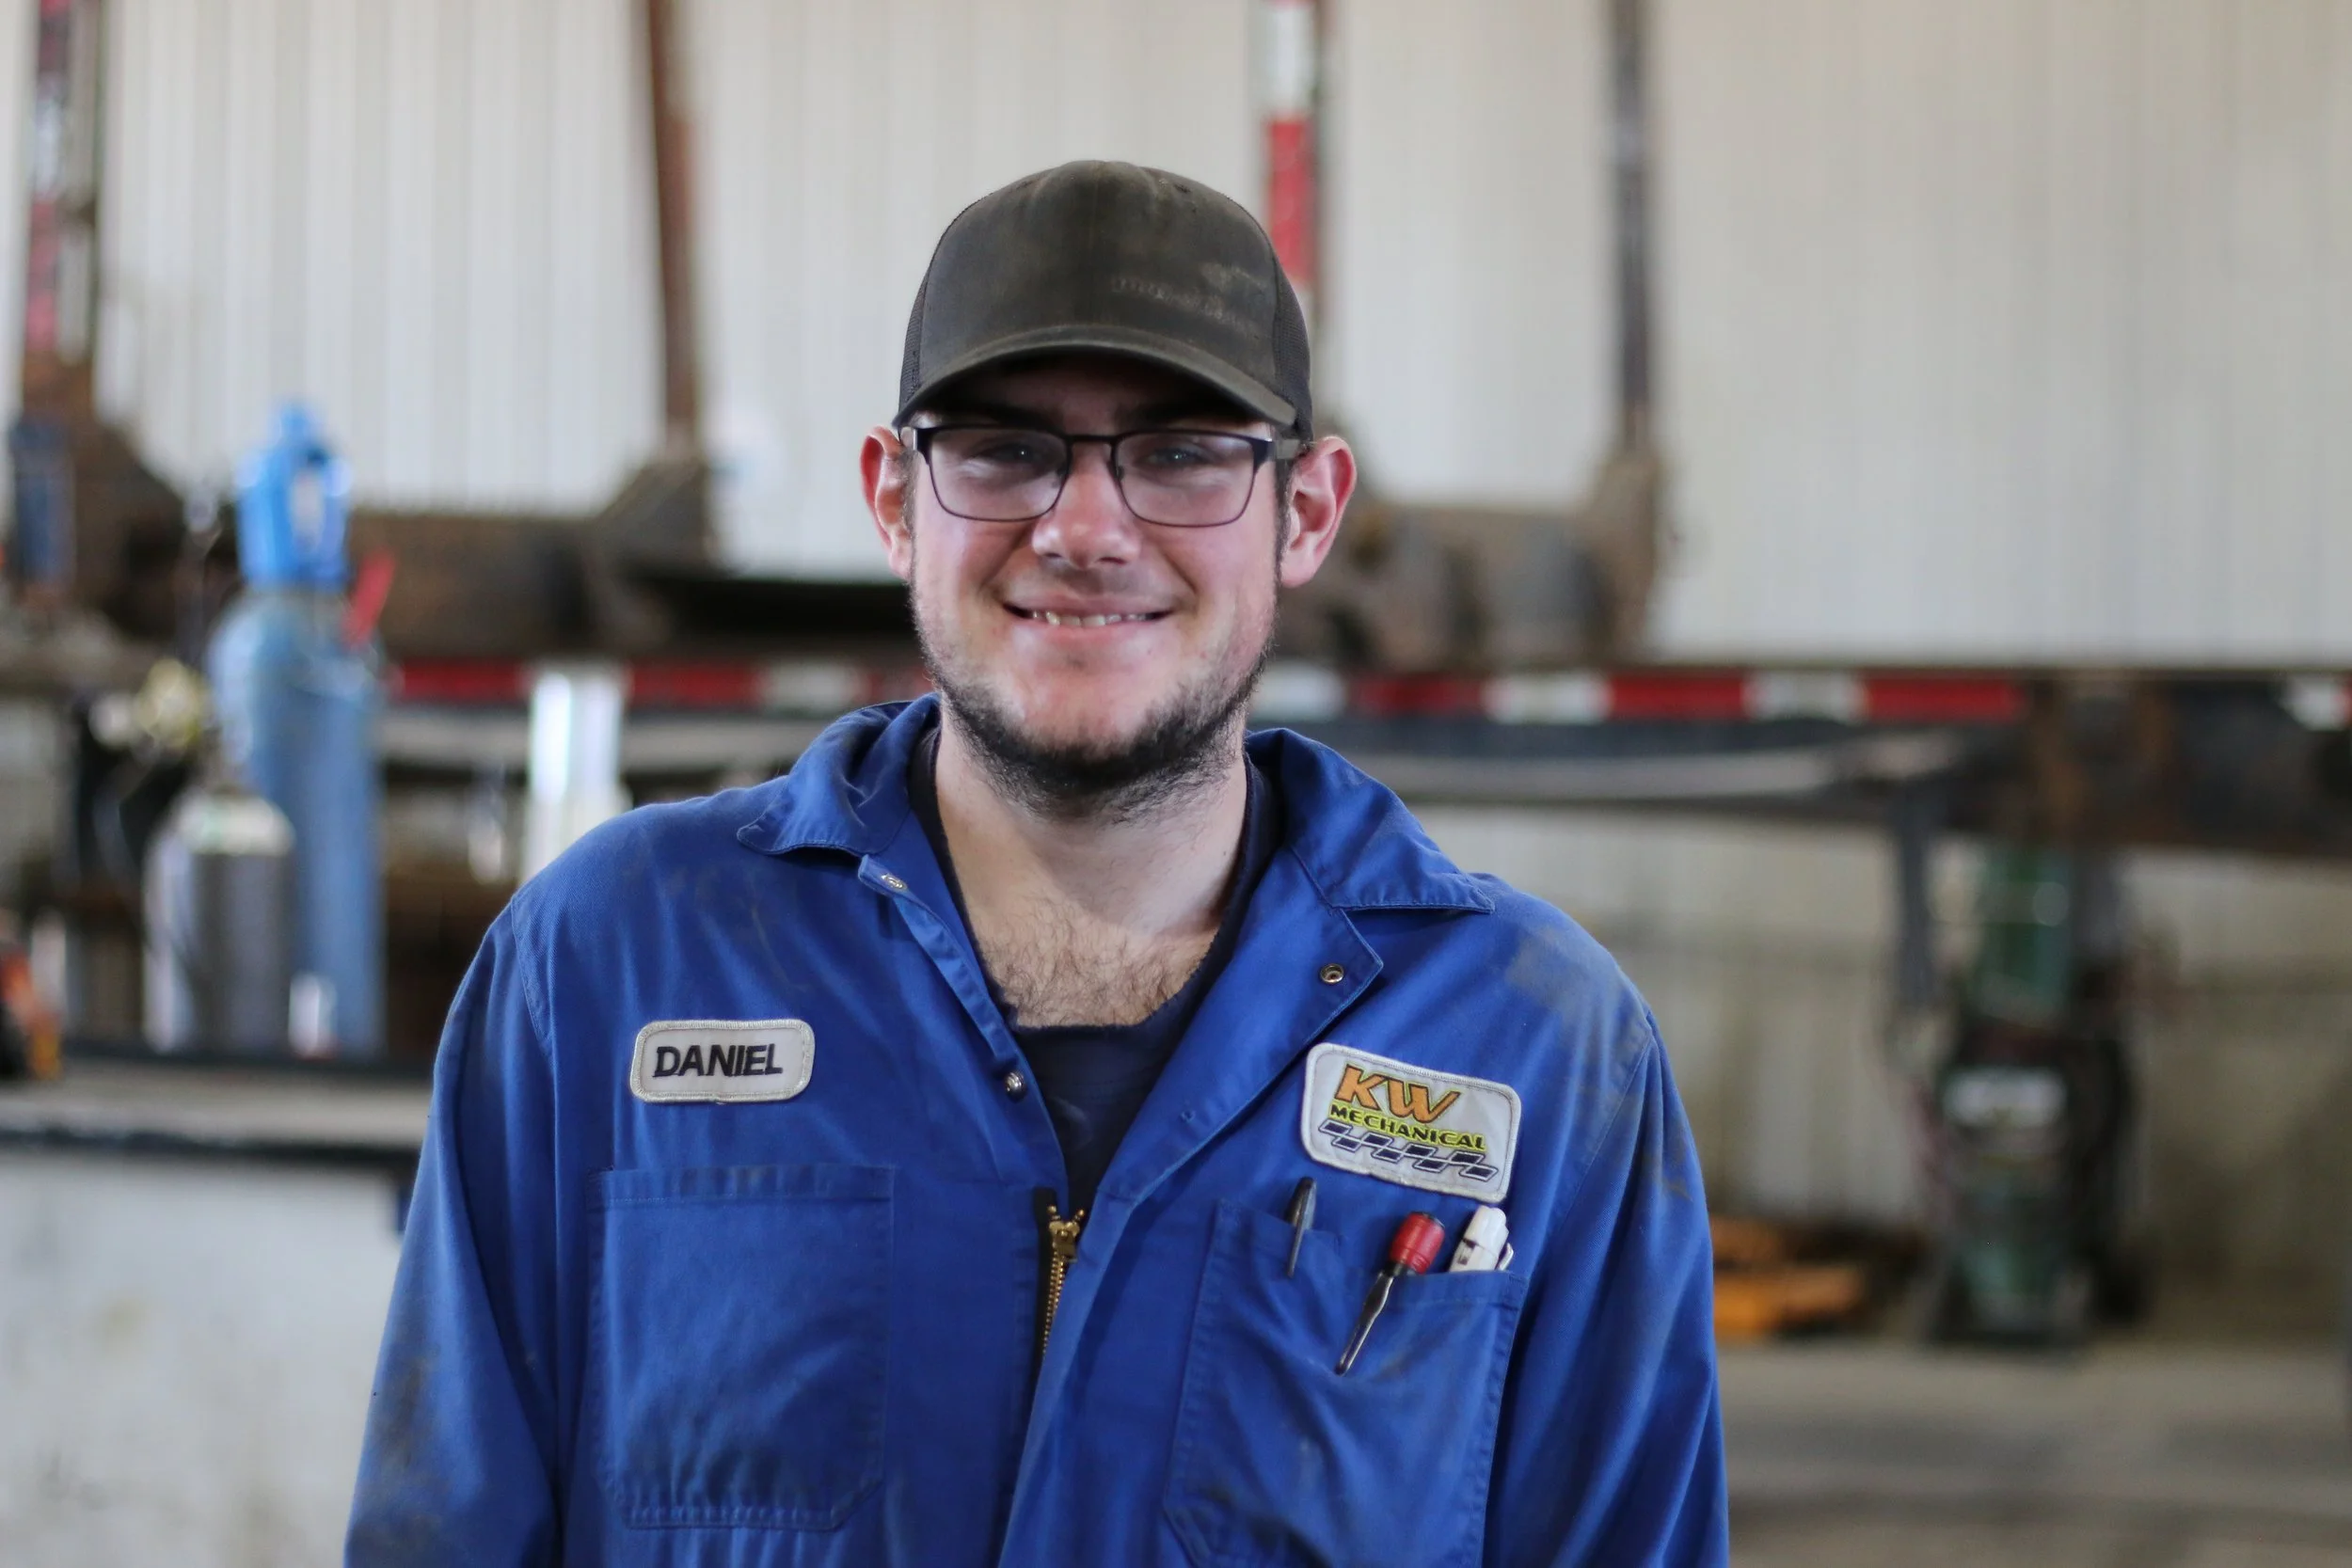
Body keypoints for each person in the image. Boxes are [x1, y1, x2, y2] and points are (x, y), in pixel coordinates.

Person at [347, 160, 1727, 1567]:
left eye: (1182, 451)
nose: (1082, 527)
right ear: (894, 498)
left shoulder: (1538, 1052)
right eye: (1005, 449)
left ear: (1307, 512)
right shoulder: (609, 968)